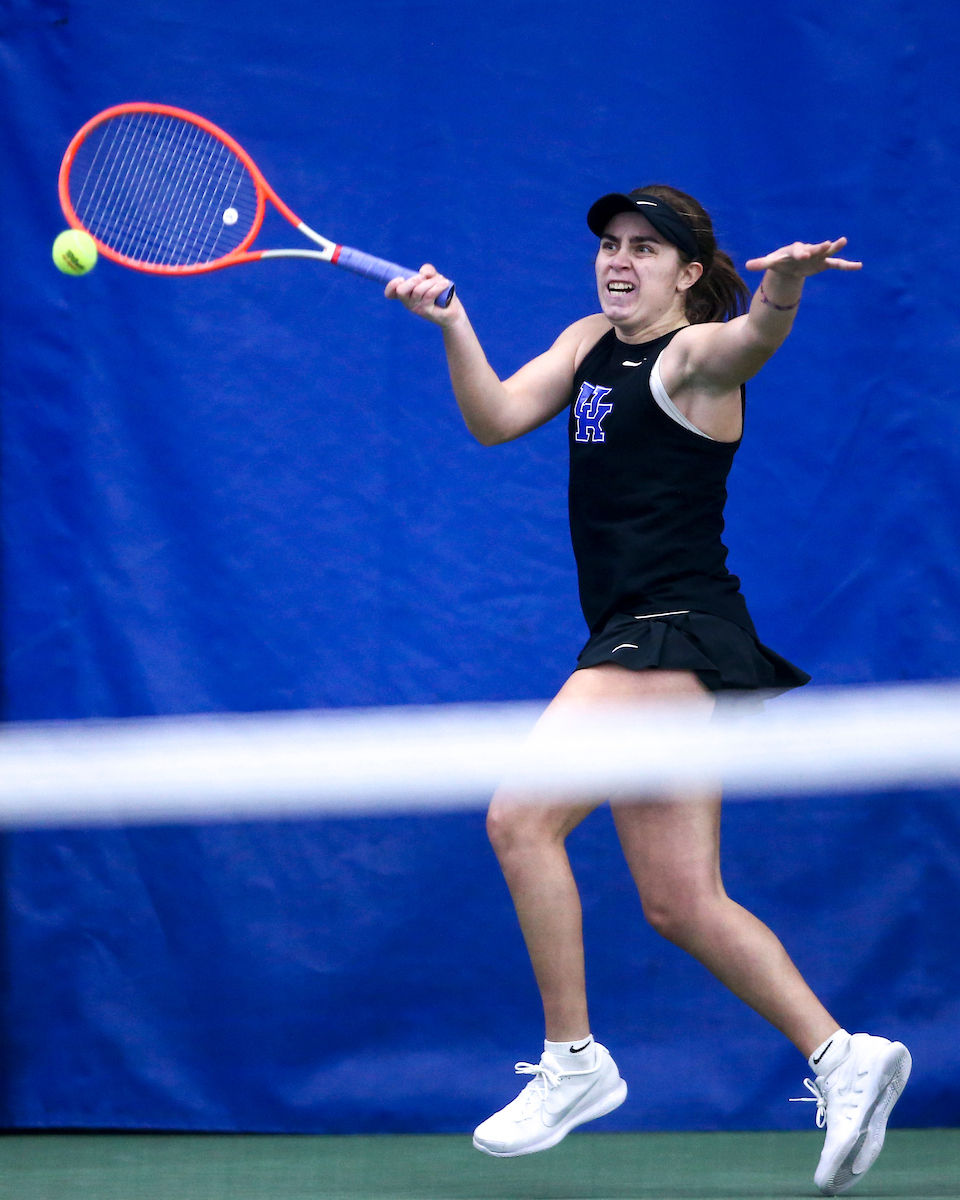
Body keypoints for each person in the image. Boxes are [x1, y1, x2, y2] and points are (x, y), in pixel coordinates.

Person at [386, 185, 910, 1196]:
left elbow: (750, 341)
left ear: (686, 273)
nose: (619, 261)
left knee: (519, 820)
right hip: (660, 643)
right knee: (681, 901)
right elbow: (496, 418)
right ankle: (844, 1056)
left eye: (645, 249)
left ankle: (574, 1063)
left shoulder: (694, 356)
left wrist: (784, 292)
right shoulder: (588, 340)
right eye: (610, 245)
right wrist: (453, 325)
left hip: (666, 635)